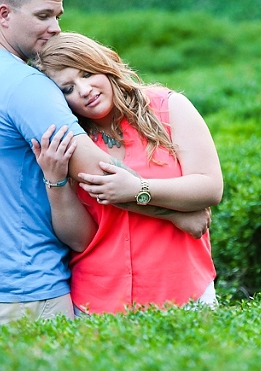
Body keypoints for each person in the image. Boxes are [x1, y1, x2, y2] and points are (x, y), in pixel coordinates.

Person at [0, 0, 210, 331]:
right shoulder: (24, 84)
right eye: (43, 15)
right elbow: (102, 176)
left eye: (57, 16)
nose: (54, 27)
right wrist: (179, 215)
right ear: (4, 14)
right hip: (30, 288)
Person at [31, 32, 223, 315]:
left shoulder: (167, 107)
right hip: (98, 302)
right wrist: (55, 180)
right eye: (67, 89)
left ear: (106, 63)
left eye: (87, 73)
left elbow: (210, 187)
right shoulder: (71, 141)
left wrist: (138, 189)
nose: (84, 90)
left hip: (183, 291)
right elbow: (80, 240)